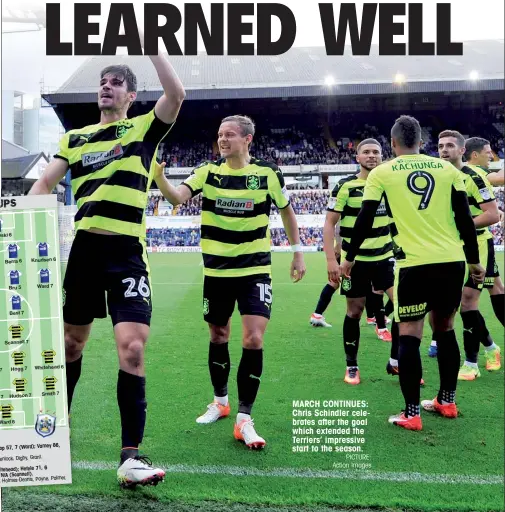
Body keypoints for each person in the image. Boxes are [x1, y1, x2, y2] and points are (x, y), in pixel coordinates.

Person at [29, 32, 185, 487]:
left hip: (126, 252)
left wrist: (152, 43)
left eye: (116, 82)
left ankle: (131, 457)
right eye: (103, 80)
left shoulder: (143, 130)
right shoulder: (74, 137)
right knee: (71, 345)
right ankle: (55, 428)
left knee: (133, 348)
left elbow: (176, 95)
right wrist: (22, 220)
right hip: (83, 252)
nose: (107, 86)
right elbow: (43, 186)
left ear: (131, 95)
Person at [154, 115, 306, 449]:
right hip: (217, 272)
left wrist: (298, 252)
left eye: (230, 135)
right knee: (218, 334)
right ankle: (220, 402)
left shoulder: (266, 173)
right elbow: (177, 198)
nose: (223, 140)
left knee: (253, 338)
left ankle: (244, 419)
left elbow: (286, 211)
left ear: (248, 139)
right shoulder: (207, 171)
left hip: (254, 270)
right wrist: (161, 179)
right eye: (220, 134)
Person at [340, 116, 484, 431]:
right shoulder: (447, 170)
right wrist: (474, 262)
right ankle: (446, 400)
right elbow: (464, 217)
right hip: (451, 261)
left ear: (392, 144)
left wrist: (348, 258)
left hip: (413, 266)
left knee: (409, 334)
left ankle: (411, 413)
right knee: (445, 328)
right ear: (422, 142)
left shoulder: (381, 173)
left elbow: (364, 219)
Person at [323, 139, 395, 386]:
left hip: (386, 258)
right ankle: (352, 366)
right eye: (366, 152)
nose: (372, 156)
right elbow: (330, 223)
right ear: (357, 157)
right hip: (355, 263)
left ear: (382, 156)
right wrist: (332, 259)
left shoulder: (390, 185)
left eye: (376, 152)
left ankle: (397, 361)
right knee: (354, 311)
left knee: (405, 309)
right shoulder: (345, 186)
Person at [436, 131, 501, 377]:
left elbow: (492, 215)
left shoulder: (474, 176)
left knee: (467, 302)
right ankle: (491, 347)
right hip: (447, 247)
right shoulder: (438, 175)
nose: (444, 150)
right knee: (451, 304)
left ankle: (471, 363)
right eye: (441, 145)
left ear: (462, 151)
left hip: (478, 245)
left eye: (450, 145)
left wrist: (461, 226)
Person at [465, 137, 504, 326]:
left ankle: (436, 340)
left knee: (495, 287)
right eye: (488, 152)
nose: (491, 155)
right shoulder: (477, 172)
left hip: (479, 240)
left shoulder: (464, 171)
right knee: (469, 299)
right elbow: (501, 178)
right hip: (475, 241)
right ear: (475, 155)